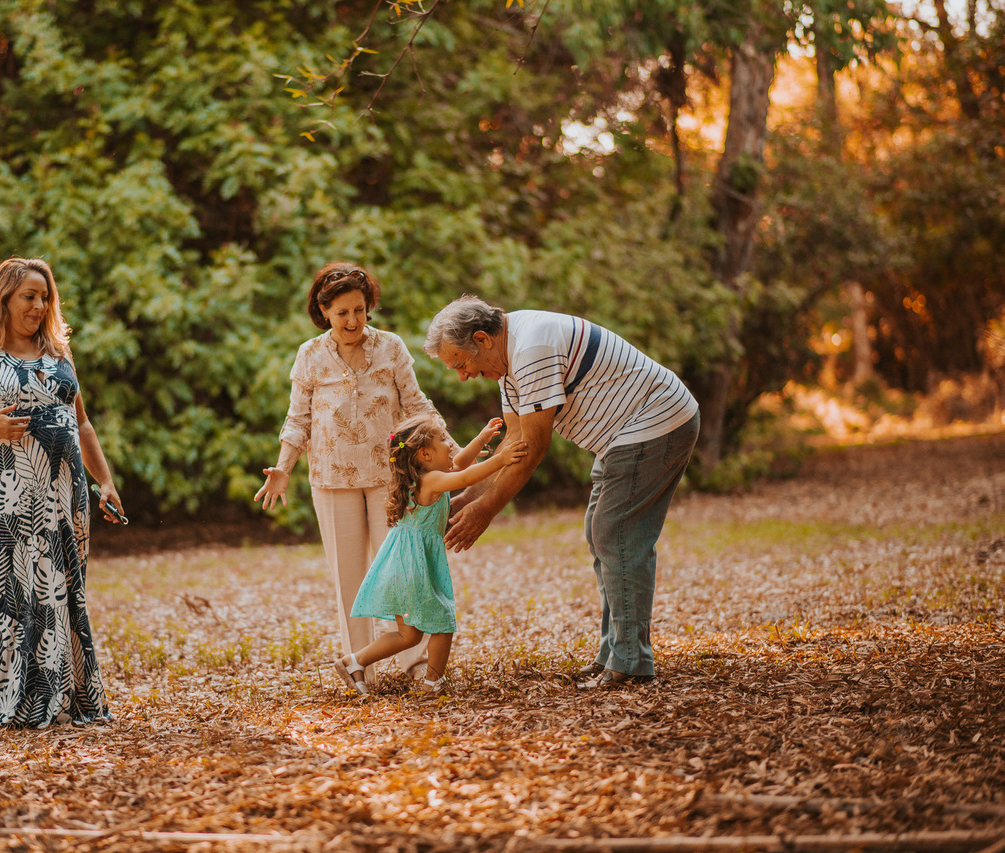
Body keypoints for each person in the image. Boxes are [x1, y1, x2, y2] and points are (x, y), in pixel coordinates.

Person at [424, 295, 699, 688]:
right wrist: (467, 497)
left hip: (654, 422)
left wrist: (485, 510)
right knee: (601, 532)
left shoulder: (531, 348)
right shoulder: (508, 360)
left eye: (462, 364)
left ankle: (630, 661)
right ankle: (615, 653)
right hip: (620, 436)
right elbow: (512, 445)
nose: (463, 376)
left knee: (615, 533)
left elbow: (533, 449)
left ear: (482, 339)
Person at [0, 257, 122, 728]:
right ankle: (12, 699)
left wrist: (106, 482)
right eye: (28, 296)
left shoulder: (59, 353)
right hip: (12, 494)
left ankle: (67, 698)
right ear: (4, 299)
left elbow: (82, 424)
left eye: (45, 297)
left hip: (67, 492)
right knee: (14, 590)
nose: (39, 305)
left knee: (65, 590)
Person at [255, 263, 439, 683]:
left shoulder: (391, 347)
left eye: (359, 310)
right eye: (342, 313)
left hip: (390, 478)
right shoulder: (310, 354)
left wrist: (453, 451)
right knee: (350, 577)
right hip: (332, 481)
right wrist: (283, 468)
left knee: (402, 568)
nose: (353, 321)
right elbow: (297, 420)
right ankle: (361, 667)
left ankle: (416, 661)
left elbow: (417, 405)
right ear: (324, 313)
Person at [334, 415, 527, 696]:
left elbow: (460, 464)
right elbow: (465, 476)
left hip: (400, 564)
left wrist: (481, 440)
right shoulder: (433, 480)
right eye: (443, 441)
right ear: (425, 454)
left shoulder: (425, 477)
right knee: (442, 621)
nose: (450, 445)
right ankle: (431, 685)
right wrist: (501, 459)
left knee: (408, 635)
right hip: (414, 566)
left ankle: (354, 662)